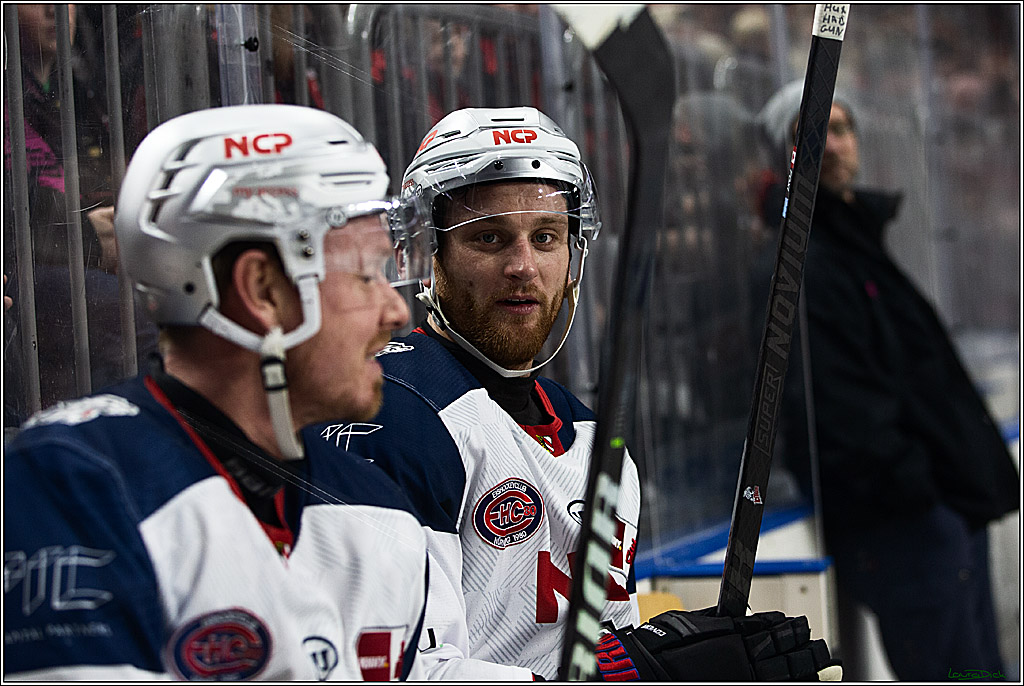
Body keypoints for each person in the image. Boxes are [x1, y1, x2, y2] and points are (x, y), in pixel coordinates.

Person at [308, 106, 840, 681]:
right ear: (429, 252)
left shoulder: (592, 437)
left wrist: (676, 658)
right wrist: (627, 669)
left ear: (573, 257)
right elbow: (398, 673)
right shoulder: (391, 418)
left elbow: (605, 644)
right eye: (489, 238)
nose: (523, 266)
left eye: (546, 238)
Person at [3, 104, 436, 680]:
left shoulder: (378, 507)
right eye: (365, 274)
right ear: (262, 290)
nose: (396, 310)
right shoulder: (68, 483)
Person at [759, 80, 1020, 680]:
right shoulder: (806, 262)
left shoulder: (858, 241)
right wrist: (922, 501)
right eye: (815, 132)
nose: (837, 144)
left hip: (942, 511)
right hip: (905, 523)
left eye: (844, 128)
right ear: (786, 155)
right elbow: (837, 408)